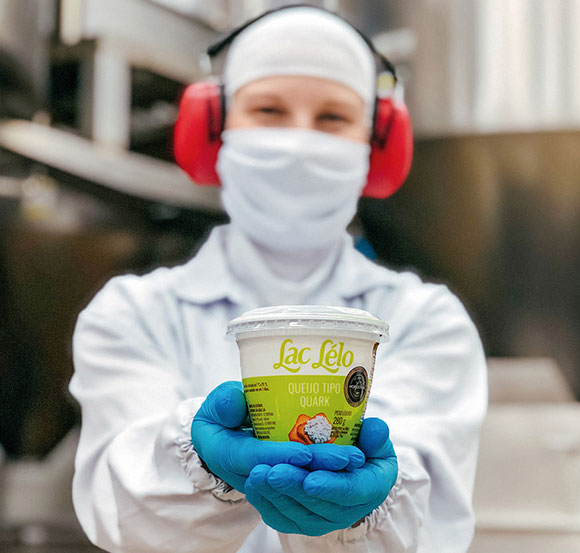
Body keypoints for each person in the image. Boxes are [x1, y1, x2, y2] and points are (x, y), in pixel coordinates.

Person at [70, 6, 487, 553]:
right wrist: (200, 466)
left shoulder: (428, 320)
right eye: (268, 110)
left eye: (333, 117)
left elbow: (426, 518)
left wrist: (366, 508)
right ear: (215, 129)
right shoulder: (131, 313)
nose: (299, 142)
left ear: (375, 145)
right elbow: (120, 510)